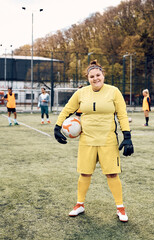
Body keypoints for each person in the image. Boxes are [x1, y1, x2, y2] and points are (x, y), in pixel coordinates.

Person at [54, 60, 134, 222]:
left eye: (98, 75)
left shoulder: (114, 92)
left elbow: (122, 115)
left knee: (112, 174)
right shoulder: (81, 93)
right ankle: (79, 204)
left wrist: (127, 137)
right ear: (88, 78)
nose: (95, 78)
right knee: (85, 173)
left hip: (108, 140)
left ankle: (120, 208)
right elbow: (68, 109)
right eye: (92, 76)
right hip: (87, 140)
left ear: (103, 75)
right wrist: (57, 126)